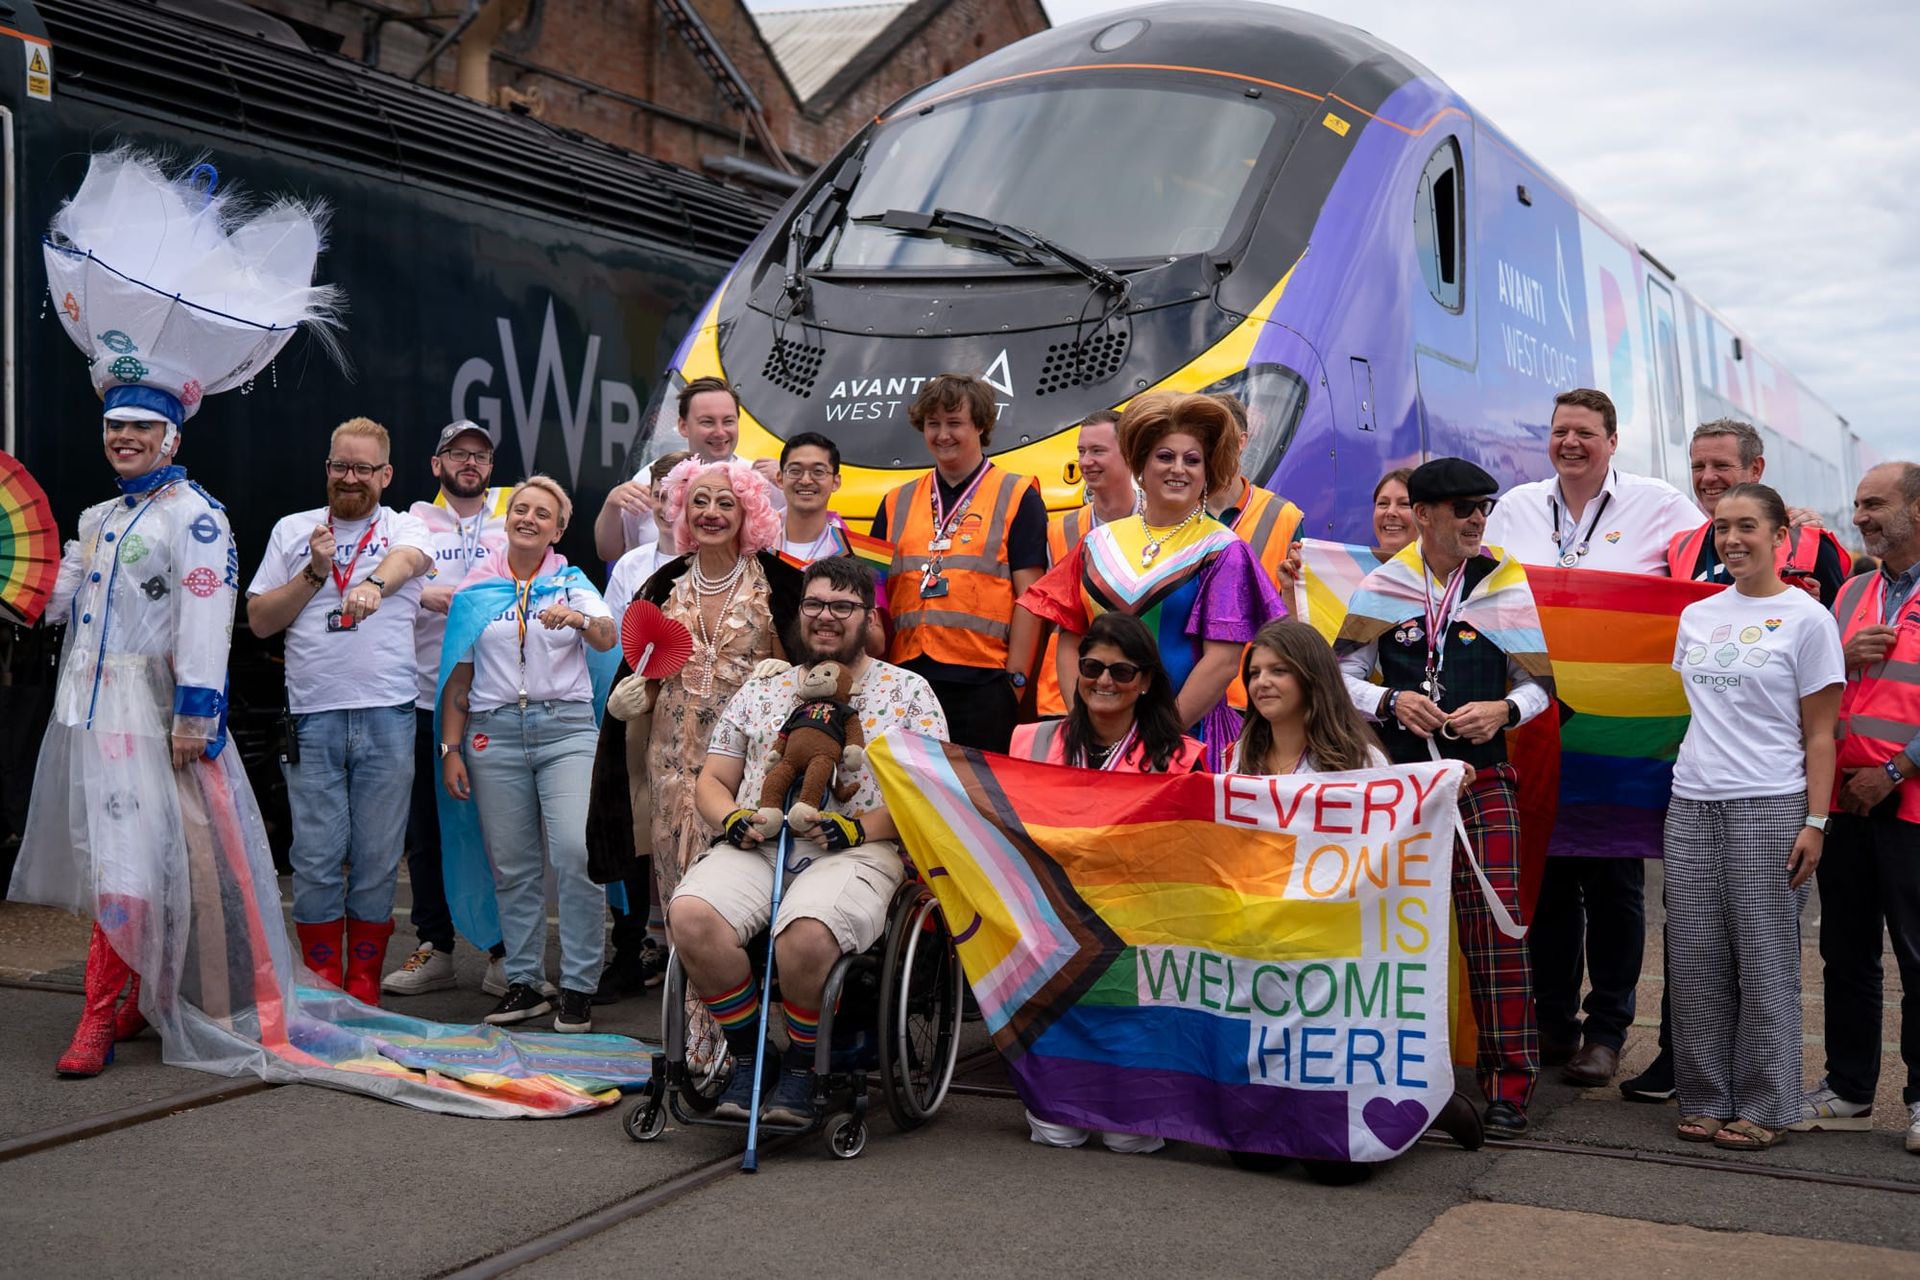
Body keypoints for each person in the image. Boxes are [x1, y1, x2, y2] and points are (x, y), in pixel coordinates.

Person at [9, 147, 340, 1076]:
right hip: (91, 708)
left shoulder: (198, 518)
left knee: (138, 861)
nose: (122, 439)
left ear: (171, 433)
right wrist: (35, 585)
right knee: (119, 857)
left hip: (157, 713)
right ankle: (138, 996)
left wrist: (198, 709)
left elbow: (207, 616)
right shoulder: (98, 517)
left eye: (139, 429)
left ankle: (102, 1013)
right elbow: (70, 603)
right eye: (114, 427)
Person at [671, 557, 948, 1126]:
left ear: (867, 617)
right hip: (759, 842)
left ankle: (802, 1062)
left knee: (807, 936)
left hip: (857, 848)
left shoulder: (910, 693)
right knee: (691, 916)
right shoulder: (764, 684)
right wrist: (731, 820)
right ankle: (752, 1057)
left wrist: (858, 827)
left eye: (843, 607)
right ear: (798, 614)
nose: (826, 617)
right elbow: (713, 780)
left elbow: (929, 800)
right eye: (815, 605)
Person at [1483, 388, 1698, 1090]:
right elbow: (1476, 588)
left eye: (1584, 432)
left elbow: (1708, 581)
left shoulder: (1660, 504)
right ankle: (1553, 1023)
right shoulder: (1515, 507)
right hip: (1535, 721)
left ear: (1611, 441)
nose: (1570, 443)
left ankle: (1607, 1031)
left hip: (1621, 731)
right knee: (1544, 879)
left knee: (1614, 882)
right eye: (1559, 432)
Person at [1337, 457, 1554, 1138]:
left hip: (1482, 778)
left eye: (1483, 509)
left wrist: (1503, 712)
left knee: (1496, 932)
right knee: (1399, 936)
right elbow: (1339, 675)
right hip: (1401, 789)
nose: (1476, 521)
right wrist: (1391, 700)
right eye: (1463, 509)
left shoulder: (1503, 580)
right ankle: (1400, 1080)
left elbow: (1540, 686)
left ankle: (1509, 1088)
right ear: (1424, 515)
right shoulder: (1384, 584)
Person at [590, 459, 802, 1062]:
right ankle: (696, 1044)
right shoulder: (662, 584)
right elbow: (645, 666)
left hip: (745, 770)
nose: (710, 514)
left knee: (727, 905)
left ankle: (735, 1043)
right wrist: (633, 695)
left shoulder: (778, 585)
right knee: (678, 896)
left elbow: (810, 673)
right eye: (699, 502)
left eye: (725, 503)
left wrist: (781, 676)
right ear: (682, 511)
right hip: (670, 766)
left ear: (747, 514)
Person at [1662, 482, 1842, 1150]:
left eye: (1746, 527)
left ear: (1778, 537)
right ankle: (1707, 1096)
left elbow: (1821, 734)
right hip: (1692, 800)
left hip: (1770, 801)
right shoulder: (1698, 617)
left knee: (1765, 959)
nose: (1731, 539)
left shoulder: (1808, 621)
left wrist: (1816, 822)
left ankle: (1768, 1106)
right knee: (1697, 957)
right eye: (1720, 528)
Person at [247, 418, 433, 1005]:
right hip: (312, 716)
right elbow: (259, 621)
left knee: (378, 857)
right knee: (316, 855)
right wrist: (315, 573)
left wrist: (374, 582)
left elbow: (410, 560)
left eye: (362, 468)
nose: (349, 478)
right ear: (326, 469)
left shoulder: (407, 523)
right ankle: (325, 986)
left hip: (387, 713)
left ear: (385, 474)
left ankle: (364, 984)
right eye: (339, 466)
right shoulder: (293, 530)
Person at [436, 476, 617, 1031]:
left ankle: (580, 986)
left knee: (575, 855)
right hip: (493, 734)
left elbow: (609, 635)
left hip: (565, 730)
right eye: (520, 509)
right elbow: (460, 673)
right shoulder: (476, 588)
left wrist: (580, 620)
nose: (529, 518)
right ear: (507, 519)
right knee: (513, 866)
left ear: (558, 529)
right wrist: (450, 747)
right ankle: (524, 982)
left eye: (543, 513)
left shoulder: (572, 582)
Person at [1019, 393, 1283, 768]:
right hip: (1095, 740)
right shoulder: (1096, 542)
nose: (1179, 469)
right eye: (1165, 456)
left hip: (1186, 740)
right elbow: (1070, 637)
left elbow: (1223, 662)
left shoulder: (1224, 550)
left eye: (1192, 460)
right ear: (1141, 464)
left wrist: (1155, 742)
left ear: (1208, 472)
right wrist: (1085, 721)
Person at [1793, 461, 1920, 1154]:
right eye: (1858, 505)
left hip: (1910, 804)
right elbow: (1819, 688)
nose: (1862, 516)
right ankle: (1847, 1089)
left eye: (1877, 504)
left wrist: (1898, 768)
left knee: (1918, 956)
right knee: (1845, 952)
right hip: (1844, 802)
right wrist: (1843, 653)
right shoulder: (1853, 593)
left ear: (1919, 510)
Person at [382, 420, 512, 998]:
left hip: (498, 698)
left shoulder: (512, 520)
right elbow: (382, 590)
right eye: (458, 454)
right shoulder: (410, 525)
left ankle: (504, 950)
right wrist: (415, 591)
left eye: (480, 456)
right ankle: (434, 946)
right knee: (427, 834)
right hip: (423, 698)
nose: (470, 463)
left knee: (499, 831)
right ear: (437, 464)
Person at [873, 373, 1049, 752]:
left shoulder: (1018, 495)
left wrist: (1015, 681)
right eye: (933, 424)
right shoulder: (894, 502)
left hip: (983, 683)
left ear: (981, 425)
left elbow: (1031, 598)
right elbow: (873, 597)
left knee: (976, 805)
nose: (943, 435)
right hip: (906, 680)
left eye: (955, 423)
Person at [592, 377, 781, 561]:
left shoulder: (762, 480)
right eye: (707, 422)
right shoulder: (655, 475)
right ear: (683, 426)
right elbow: (608, 553)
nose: (720, 431)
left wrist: (787, 480)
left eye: (728, 421)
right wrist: (612, 505)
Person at [1667, 419, 1849, 605]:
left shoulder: (1808, 543)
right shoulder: (1679, 548)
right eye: (1698, 467)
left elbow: (1839, 626)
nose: (1707, 477)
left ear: (1756, 469)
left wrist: (1806, 610)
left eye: (1721, 465)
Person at [1034, 411, 1139, 718]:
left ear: (1130, 453)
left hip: (1127, 687)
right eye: (1082, 451)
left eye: (1098, 451)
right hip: (1061, 697)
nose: (1085, 462)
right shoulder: (1059, 529)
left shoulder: (1158, 525)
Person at [1013, 611, 1205, 775]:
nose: (1104, 681)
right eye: (1092, 667)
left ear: (1145, 680)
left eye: (1121, 671)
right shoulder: (1028, 742)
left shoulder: (1181, 760)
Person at [776, 432, 885, 657]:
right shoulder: (753, 546)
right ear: (779, 478)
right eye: (795, 470)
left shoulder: (864, 552)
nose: (806, 480)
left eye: (818, 471)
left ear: (836, 481)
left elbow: (878, 644)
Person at [604, 448, 690, 627]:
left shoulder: (714, 564)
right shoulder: (629, 564)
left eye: (677, 498)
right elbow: (611, 638)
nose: (667, 508)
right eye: (660, 496)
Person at [1372, 468, 1417, 558]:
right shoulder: (1351, 568)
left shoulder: (1442, 571)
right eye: (1383, 503)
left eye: (1404, 504)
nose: (1390, 512)